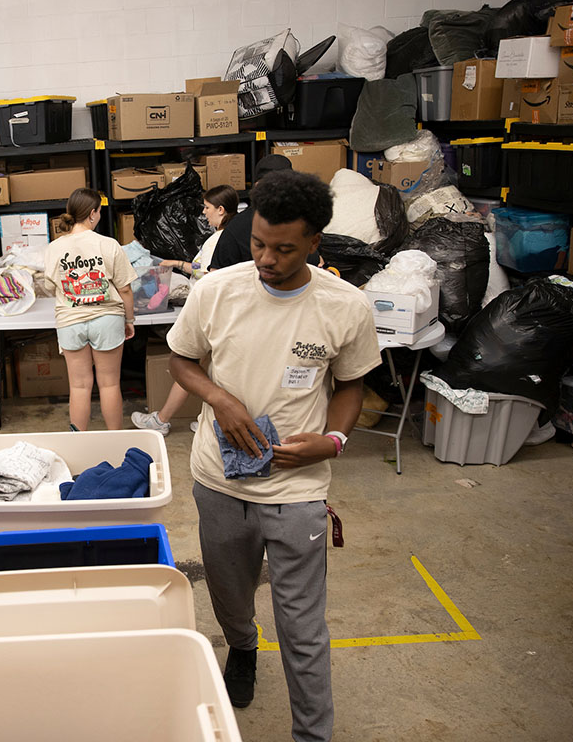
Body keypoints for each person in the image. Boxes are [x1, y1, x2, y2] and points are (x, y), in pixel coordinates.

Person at [167, 170, 380, 742]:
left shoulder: (345, 306)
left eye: (284, 249)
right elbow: (182, 361)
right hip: (220, 480)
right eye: (259, 243)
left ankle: (313, 735)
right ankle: (241, 646)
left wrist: (332, 441)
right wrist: (221, 400)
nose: (266, 258)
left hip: (297, 489)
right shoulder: (218, 291)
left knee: (303, 626)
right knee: (229, 594)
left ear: (315, 242)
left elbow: (353, 384)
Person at [133, 184, 239, 435]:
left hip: (208, 311)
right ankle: (210, 419)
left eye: (208, 208)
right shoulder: (232, 235)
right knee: (210, 367)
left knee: (189, 364)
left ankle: (163, 420)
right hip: (221, 312)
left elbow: (208, 271)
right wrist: (178, 263)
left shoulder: (218, 239)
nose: (204, 213)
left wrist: (179, 267)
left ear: (221, 210)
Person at [44, 188, 137, 432]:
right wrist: (130, 320)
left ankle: (80, 443)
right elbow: (125, 289)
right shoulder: (108, 244)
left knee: (79, 387)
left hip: (70, 320)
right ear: (93, 214)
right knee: (109, 385)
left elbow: (49, 285)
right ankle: (114, 441)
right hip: (107, 319)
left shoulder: (54, 247)